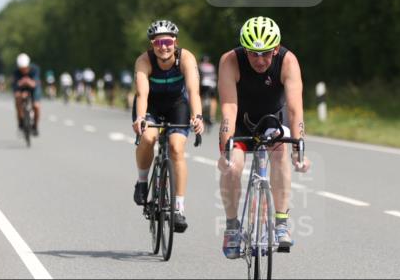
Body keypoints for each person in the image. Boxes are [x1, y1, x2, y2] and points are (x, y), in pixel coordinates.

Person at [217, 16, 310, 258]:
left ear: (276, 49)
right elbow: (228, 107)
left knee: (280, 151)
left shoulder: (288, 61)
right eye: (253, 54)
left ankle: (280, 223)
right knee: (232, 167)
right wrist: (225, 150)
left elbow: (295, 109)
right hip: (241, 120)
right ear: (244, 50)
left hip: (273, 119)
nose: (259, 60)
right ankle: (232, 227)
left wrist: (300, 151)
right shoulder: (230, 61)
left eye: (266, 54)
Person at [131, 19, 204, 233]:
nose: (163, 46)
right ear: (152, 45)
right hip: (151, 105)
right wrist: (141, 118)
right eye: (157, 42)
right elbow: (142, 94)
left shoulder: (186, 59)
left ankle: (178, 209)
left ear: (175, 42)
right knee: (148, 138)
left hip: (177, 105)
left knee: (176, 148)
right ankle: (142, 182)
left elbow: (193, 92)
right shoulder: (144, 61)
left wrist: (197, 116)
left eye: (167, 41)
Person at [12, 53, 42, 136]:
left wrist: (26, 82)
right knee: (17, 99)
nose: (23, 70)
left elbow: (35, 84)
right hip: (21, 89)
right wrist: (20, 90)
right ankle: (21, 122)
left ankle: (35, 126)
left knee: (36, 106)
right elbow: (15, 85)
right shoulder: (16, 72)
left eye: (25, 68)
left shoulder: (35, 69)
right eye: (21, 68)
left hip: (34, 89)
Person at [198, 55, 218, 131]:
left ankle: (199, 114)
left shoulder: (200, 66)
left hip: (203, 84)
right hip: (212, 85)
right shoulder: (212, 66)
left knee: (199, 97)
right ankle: (212, 116)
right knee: (213, 99)